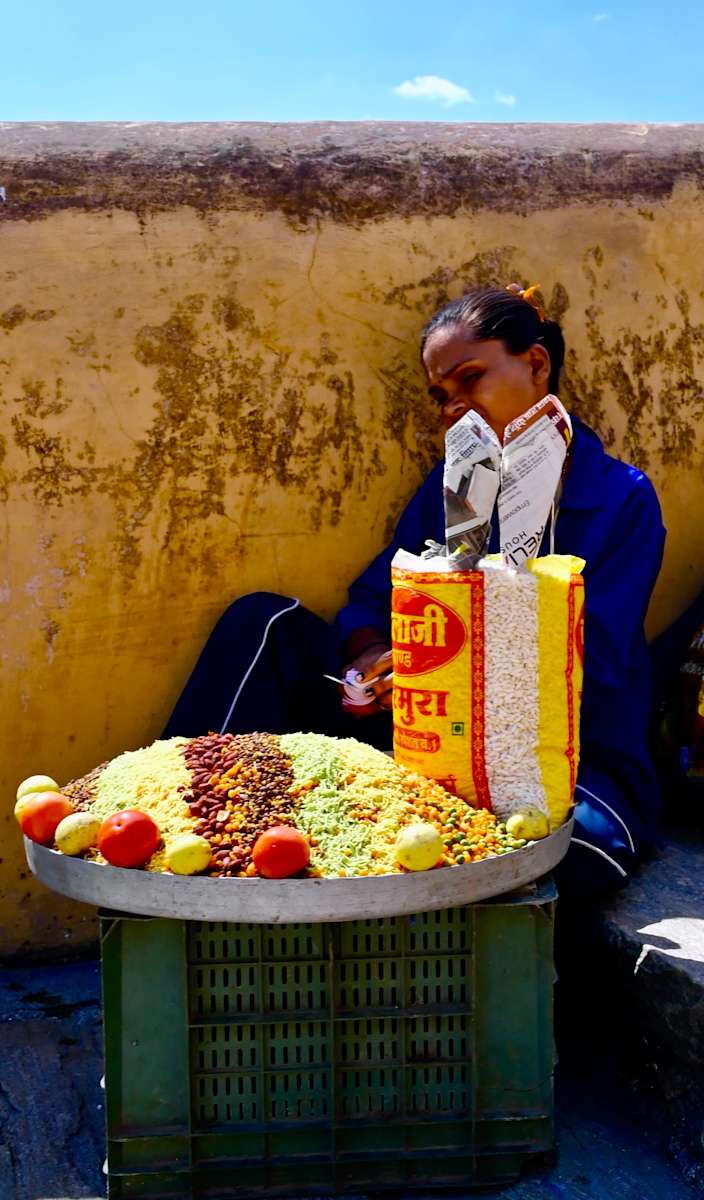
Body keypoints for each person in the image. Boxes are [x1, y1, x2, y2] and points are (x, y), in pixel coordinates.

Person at [163, 284, 666, 899]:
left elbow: (596, 659)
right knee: (262, 624)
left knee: (562, 851)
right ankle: (181, 822)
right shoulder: (456, 484)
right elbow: (378, 596)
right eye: (442, 395)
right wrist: (372, 657)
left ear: (536, 365)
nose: (454, 407)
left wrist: (450, 675)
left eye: (471, 379)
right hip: (419, 737)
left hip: (560, 759)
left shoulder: (621, 498)